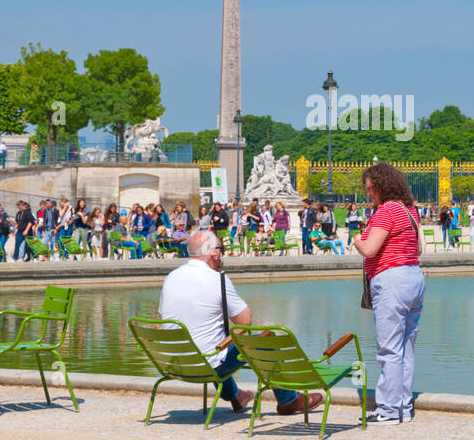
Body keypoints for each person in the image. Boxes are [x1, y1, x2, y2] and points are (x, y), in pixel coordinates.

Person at [157, 230, 321, 415]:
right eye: (221, 249)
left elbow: (164, 316)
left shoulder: (171, 277)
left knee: (214, 341)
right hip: (207, 365)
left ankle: (236, 396)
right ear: (214, 253)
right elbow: (245, 322)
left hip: (173, 363)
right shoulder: (217, 279)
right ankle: (288, 400)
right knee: (263, 339)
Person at [353, 162, 425, 425]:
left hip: (391, 280)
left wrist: (357, 239)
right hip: (413, 278)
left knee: (389, 349)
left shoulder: (385, 211)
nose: (369, 192)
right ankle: (403, 407)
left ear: (382, 185)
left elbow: (370, 249)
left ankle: (388, 409)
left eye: (370, 188)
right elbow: (417, 249)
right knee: (406, 347)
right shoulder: (410, 210)